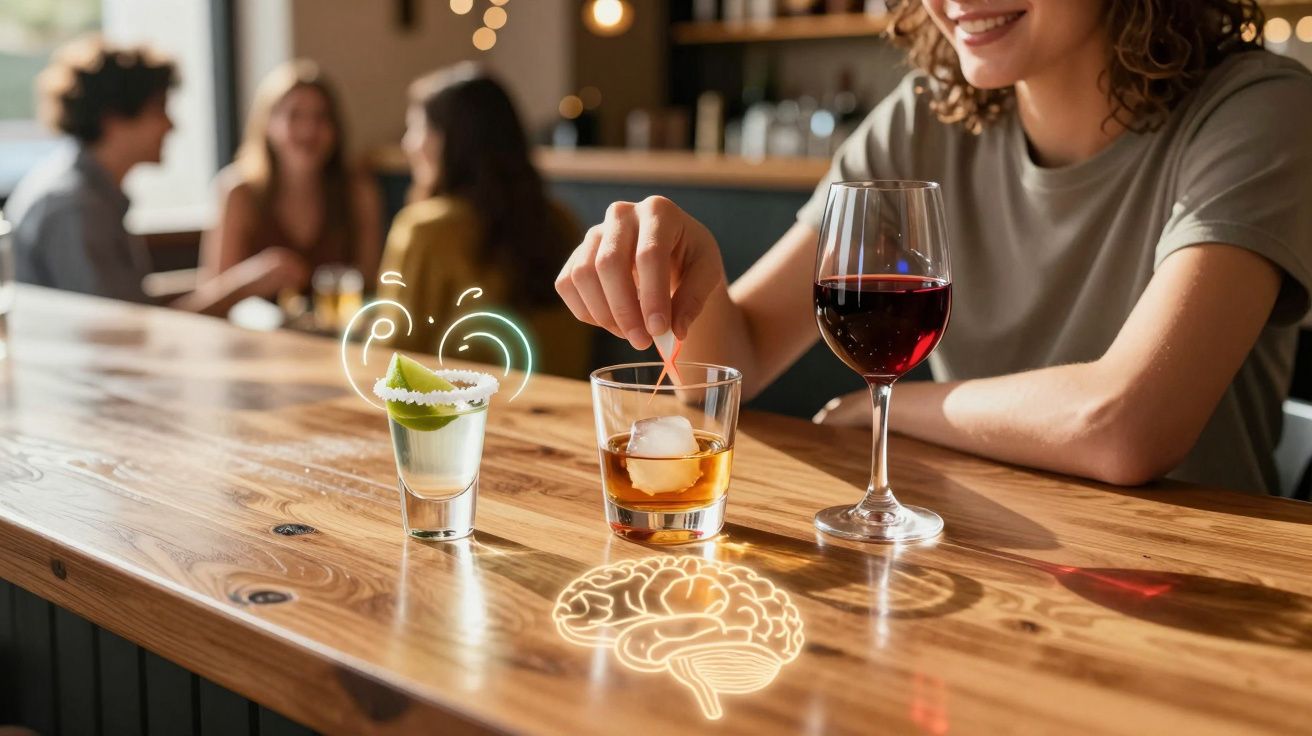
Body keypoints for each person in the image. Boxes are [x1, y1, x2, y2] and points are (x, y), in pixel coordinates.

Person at [555, 0, 1312, 495]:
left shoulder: (1260, 112)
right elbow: (736, 360)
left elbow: (1125, 426)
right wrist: (696, 280)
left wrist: (888, 407)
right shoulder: (922, 118)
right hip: (968, 561)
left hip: (1196, 600)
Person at [378, 64, 588, 377]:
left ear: (446, 141)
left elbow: (391, 356)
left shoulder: (424, 229)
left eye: (417, 128)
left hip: (461, 417)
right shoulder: (562, 220)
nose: (409, 143)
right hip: (562, 408)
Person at [179, 60, 381, 316]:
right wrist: (253, 279)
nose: (309, 130)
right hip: (253, 345)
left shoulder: (357, 191)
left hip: (334, 344)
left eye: (321, 117)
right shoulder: (239, 192)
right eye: (294, 115)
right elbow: (209, 303)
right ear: (267, 124)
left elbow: (372, 287)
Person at [7, 36, 174, 303]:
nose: (170, 126)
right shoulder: (75, 205)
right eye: (158, 111)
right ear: (113, 119)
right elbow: (114, 330)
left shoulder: (87, 191)